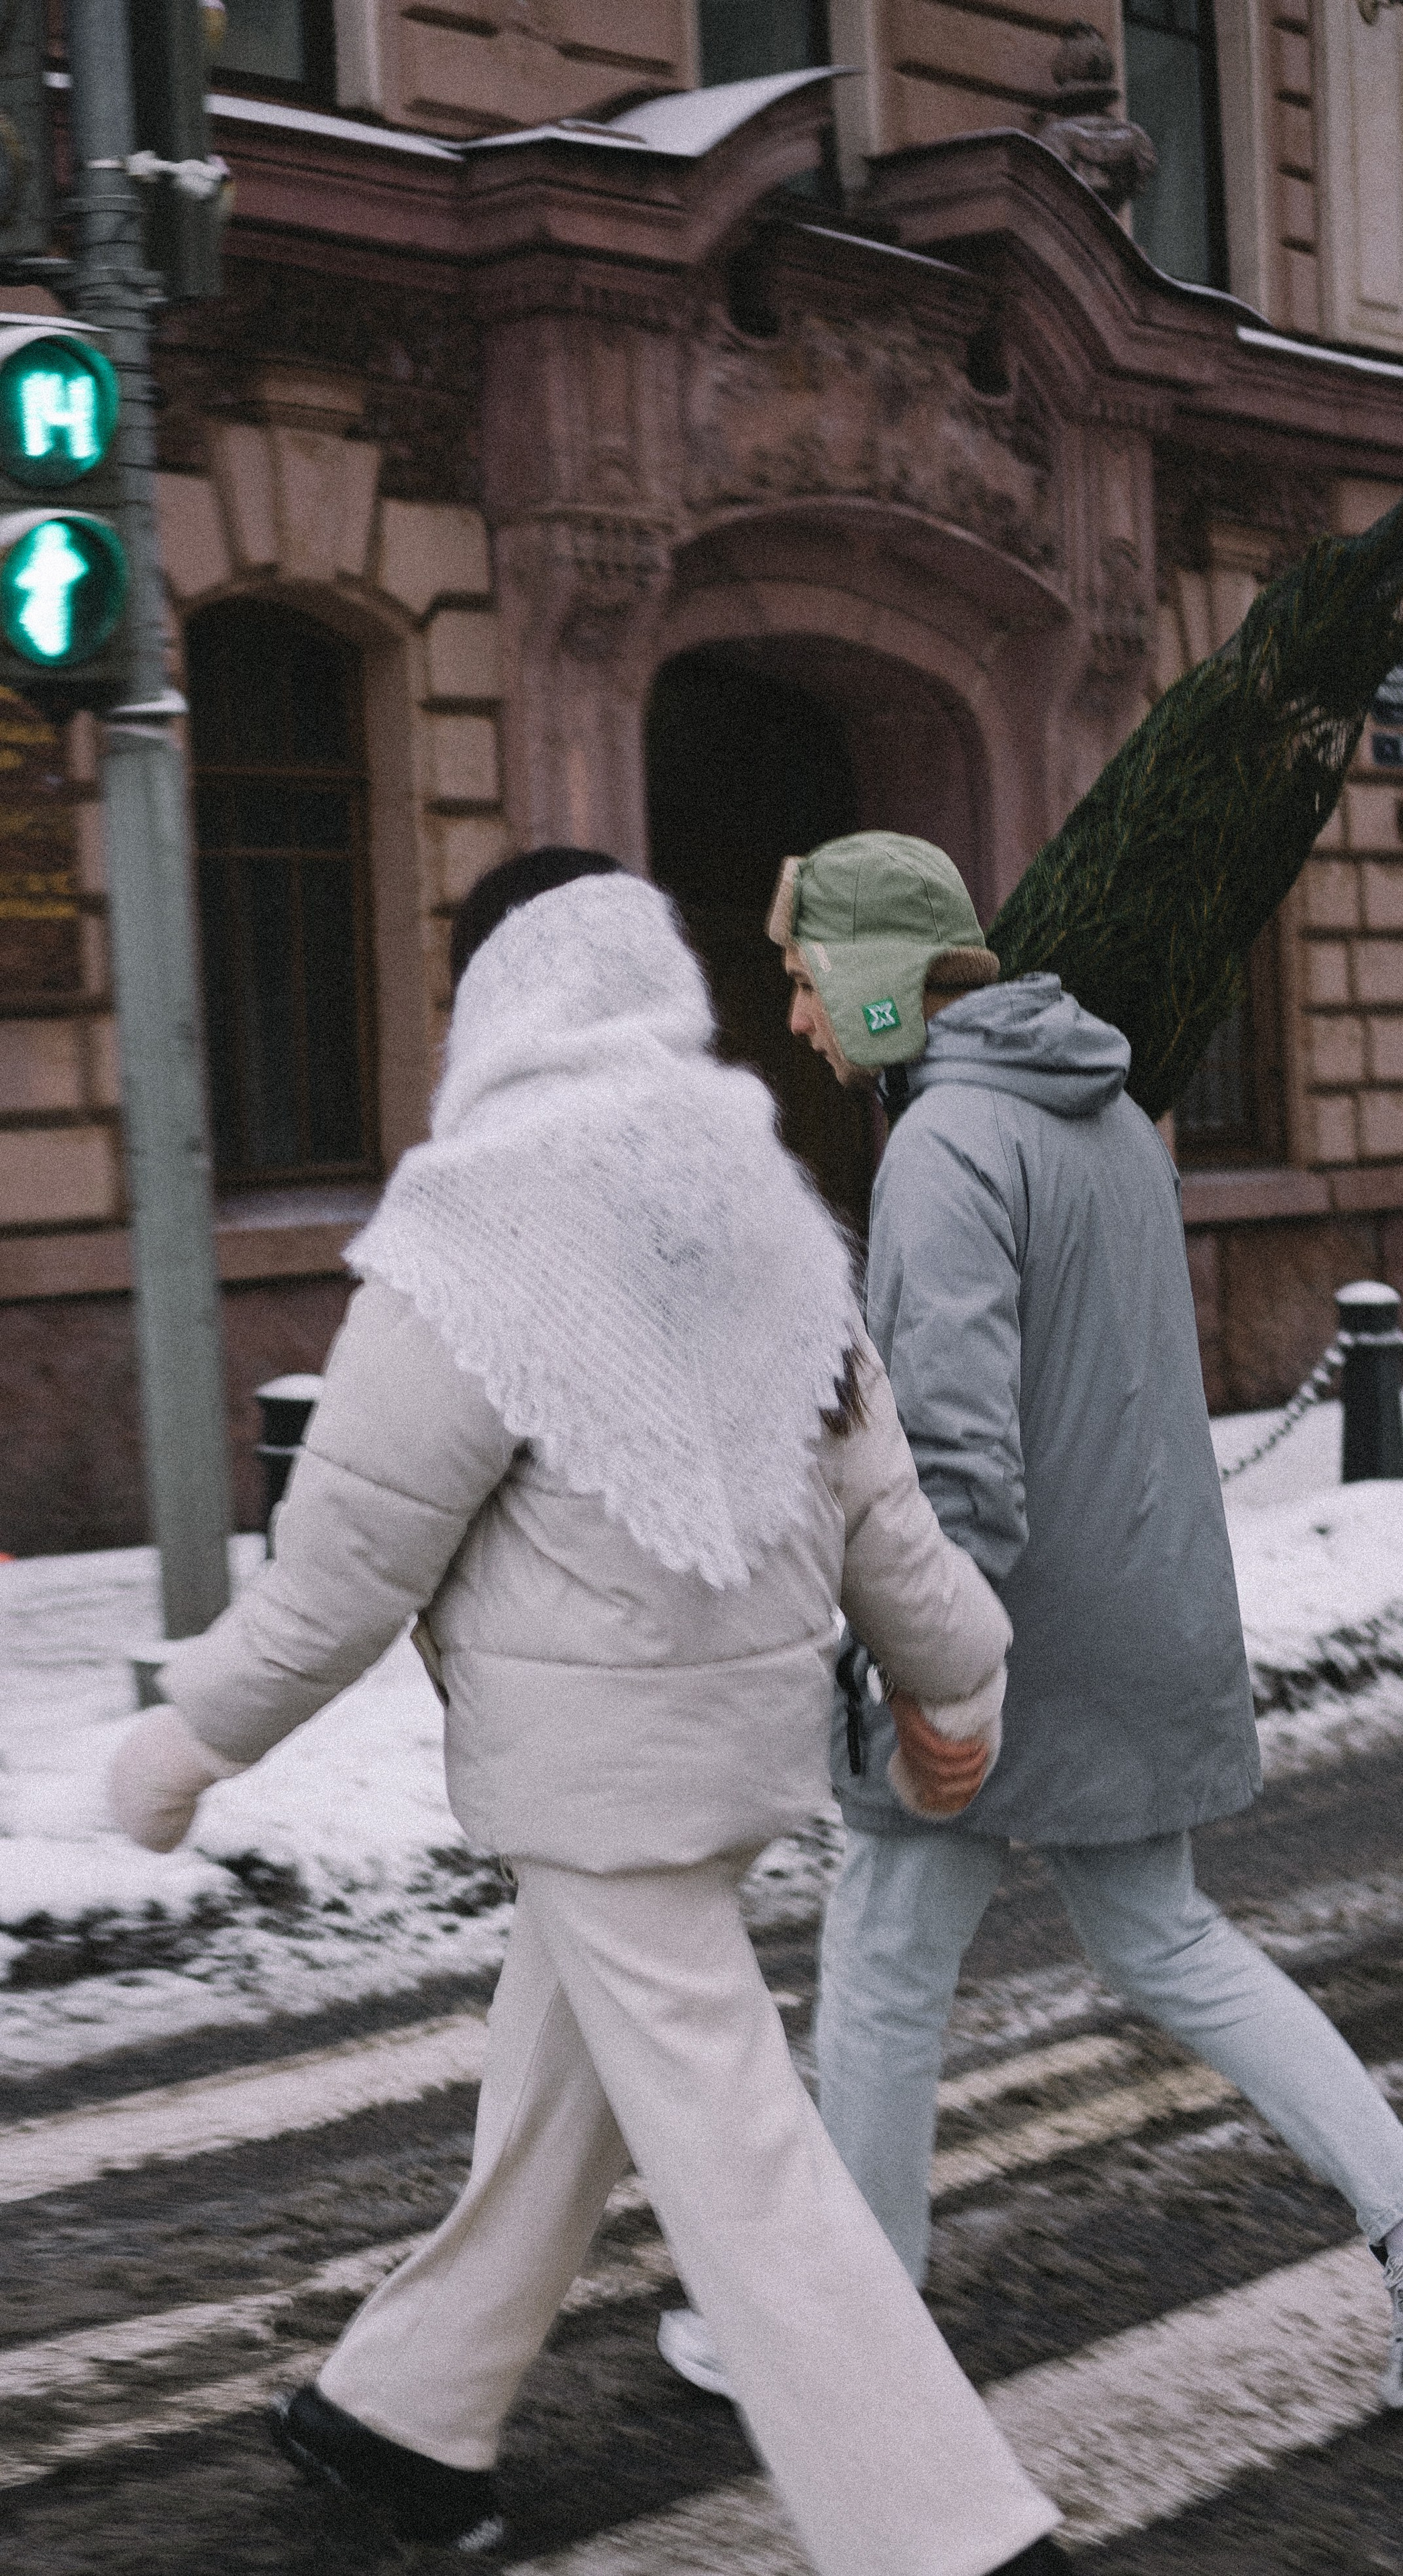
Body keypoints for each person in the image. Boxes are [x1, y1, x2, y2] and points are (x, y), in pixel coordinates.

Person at [107, 847, 1067, 2576]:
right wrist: (959, 1671)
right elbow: (876, 1495)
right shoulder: (763, 1200)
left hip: (589, 1762)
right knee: (569, 2088)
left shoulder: (477, 1227)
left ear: (496, 998)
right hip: (725, 1738)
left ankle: (946, 2535)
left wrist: (190, 1736)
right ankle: (402, 2412)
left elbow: (344, 1564)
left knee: (742, 2151)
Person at [662, 830, 1403, 2418]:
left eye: (802, 982)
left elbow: (963, 1459)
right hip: (1132, 1609)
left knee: (877, 1956)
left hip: (1004, 1637)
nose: (791, 1016)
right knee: (1155, 1937)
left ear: (869, 980)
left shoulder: (941, 1146)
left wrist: (911, 1666)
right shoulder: (1103, 1117)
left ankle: (835, 2322)